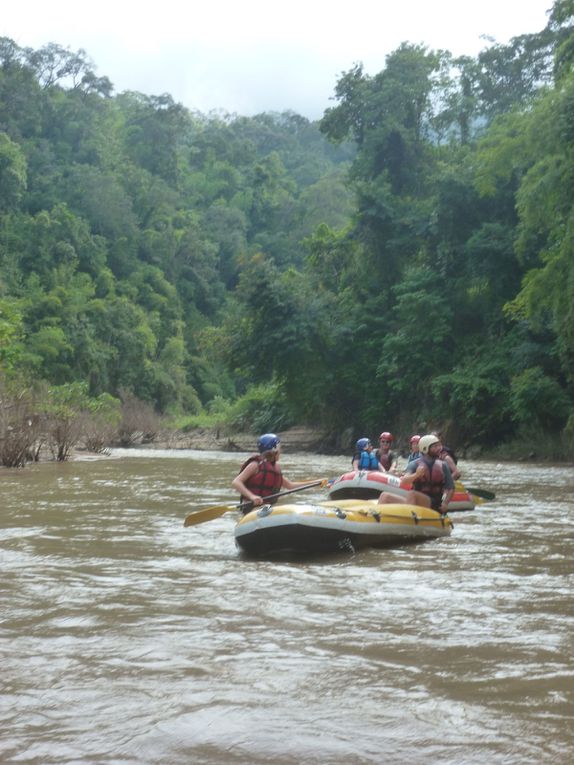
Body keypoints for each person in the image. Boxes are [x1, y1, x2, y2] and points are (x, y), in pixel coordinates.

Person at [232, 433, 323, 512]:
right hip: (250, 508)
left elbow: (290, 485)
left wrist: (317, 482)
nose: (281, 451)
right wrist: (252, 496)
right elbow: (236, 482)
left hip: (265, 509)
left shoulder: (274, 468)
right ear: (275, 449)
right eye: (280, 448)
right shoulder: (255, 465)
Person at [378, 434, 454, 514]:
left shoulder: (443, 465)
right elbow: (404, 482)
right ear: (425, 448)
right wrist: (416, 475)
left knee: (412, 494)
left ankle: (408, 519)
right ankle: (377, 519)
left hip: (434, 502)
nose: (439, 448)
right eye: (435, 446)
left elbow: (451, 488)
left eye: (439, 445)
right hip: (415, 500)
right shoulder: (414, 464)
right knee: (385, 496)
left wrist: (445, 503)